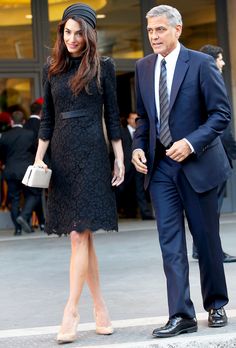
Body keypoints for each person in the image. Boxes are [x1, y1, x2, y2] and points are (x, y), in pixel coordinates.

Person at [132, 5, 231, 338]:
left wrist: (190, 143)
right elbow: (144, 118)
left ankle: (216, 304)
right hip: (161, 169)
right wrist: (137, 147)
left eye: (160, 29)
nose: (154, 36)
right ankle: (181, 314)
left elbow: (221, 115)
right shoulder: (143, 67)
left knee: (206, 240)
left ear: (178, 29)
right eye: (150, 31)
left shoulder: (201, 64)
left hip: (197, 165)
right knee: (170, 243)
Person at [33, 3, 124, 344]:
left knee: (78, 235)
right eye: (66, 32)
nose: (71, 38)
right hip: (61, 155)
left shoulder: (104, 67)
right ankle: (100, 308)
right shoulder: (52, 69)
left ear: (89, 34)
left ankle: (70, 310)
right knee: (82, 236)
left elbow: (113, 116)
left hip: (92, 154)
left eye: (77, 32)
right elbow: (47, 120)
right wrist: (40, 160)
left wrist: (118, 157)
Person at [191, 44, 236, 262]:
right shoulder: (207, 81)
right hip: (213, 156)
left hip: (218, 155)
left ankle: (200, 248)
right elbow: (220, 125)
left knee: (207, 210)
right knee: (210, 210)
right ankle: (209, 250)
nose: (223, 62)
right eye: (220, 58)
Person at [0, 111, 37, 235]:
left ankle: (17, 229)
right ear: (24, 121)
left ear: (11, 122)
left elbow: (2, 154)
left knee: (14, 199)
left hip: (10, 170)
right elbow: (34, 150)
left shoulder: (4, 136)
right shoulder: (30, 134)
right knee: (33, 195)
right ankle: (24, 215)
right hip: (26, 170)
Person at [116, 112, 154, 219]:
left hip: (139, 165)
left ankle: (145, 214)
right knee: (121, 190)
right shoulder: (121, 132)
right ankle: (117, 213)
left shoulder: (141, 133)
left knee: (140, 189)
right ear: (128, 120)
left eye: (136, 119)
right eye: (132, 118)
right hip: (125, 166)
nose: (135, 121)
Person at [24, 98, 46, 231]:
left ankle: (41, 222)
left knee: (34, 194)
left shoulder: (25, 126)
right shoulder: (42, 125)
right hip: (43, 164)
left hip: (28, 166)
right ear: (41, 112)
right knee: (38, 194)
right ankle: (41, 221)